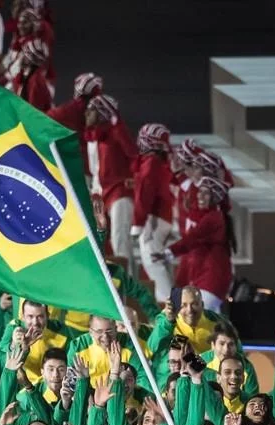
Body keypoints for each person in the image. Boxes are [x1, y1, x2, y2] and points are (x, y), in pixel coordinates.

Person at [161, 176, 233, 310]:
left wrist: (169, 252)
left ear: (215, 198)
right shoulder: (205, 218)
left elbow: (193, 238)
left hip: (211, 281)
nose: (200, 196)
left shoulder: (214, 218)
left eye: (206, 193)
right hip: (204, 281)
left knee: (196, 317)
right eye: (200, 191)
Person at [83, 94, 136, 274]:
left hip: (120, 192)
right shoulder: (95, 137)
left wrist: (133, 179)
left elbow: (133, 156)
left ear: (101, 113)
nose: (86, 114)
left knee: (119, 239)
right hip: (103, 192)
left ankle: (126, 284)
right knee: (108, 240)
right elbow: (96, 170)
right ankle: (126, 279)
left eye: (90, 110)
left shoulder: (117, 132)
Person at [131, 123, 174, 302]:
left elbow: (144, 196)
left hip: (156, 218)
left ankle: (168, 303)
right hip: (162, 215)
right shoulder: (158, 163)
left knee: (152, 260)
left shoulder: (151, 164)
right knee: (158, 262)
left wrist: (137, 224)